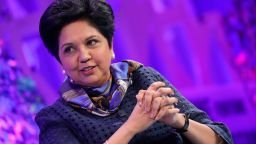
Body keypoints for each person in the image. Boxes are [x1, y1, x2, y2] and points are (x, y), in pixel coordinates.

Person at [35, 0, 233, 143]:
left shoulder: (143, 77)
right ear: (60, 60)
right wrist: (131, 127)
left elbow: (221, 139)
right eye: (69, 49)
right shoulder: (55, 118)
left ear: (110, 45)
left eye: (92, 42)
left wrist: (178, 121)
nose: (84, 56)